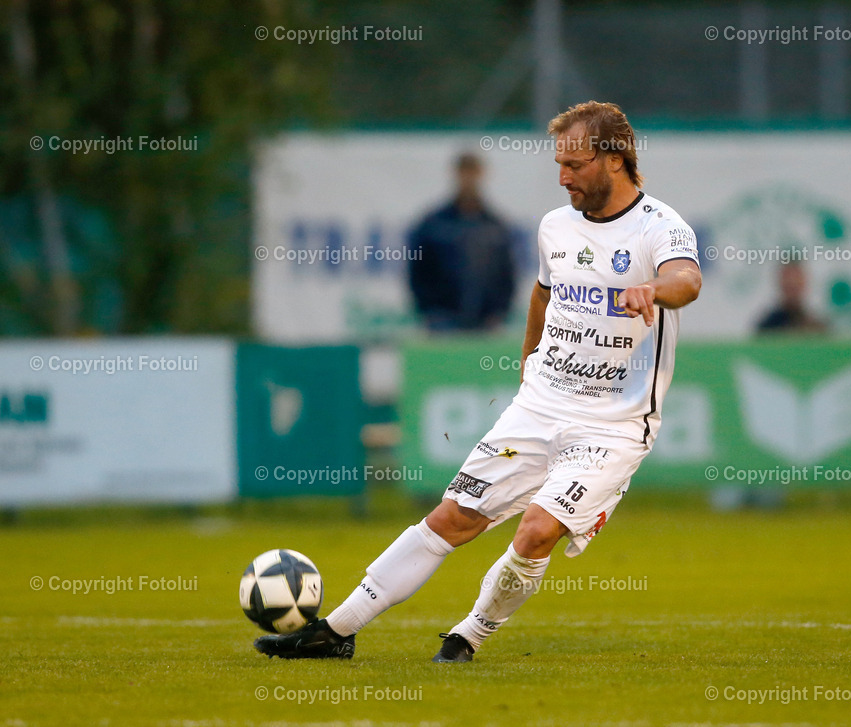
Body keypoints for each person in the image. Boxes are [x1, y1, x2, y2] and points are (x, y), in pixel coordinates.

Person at [254, 101, 702, 663]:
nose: (563, 177)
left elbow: (686, 280)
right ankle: (335, 631)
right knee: (452, 517)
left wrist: (653, 290)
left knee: (537, 530)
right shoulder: (555, 227)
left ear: (614, 160)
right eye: (558, 164)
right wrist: (529, 360)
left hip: (612, 426)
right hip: (538, 408)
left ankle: (469, 634)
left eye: (576, 164)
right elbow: (543, 294)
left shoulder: (660, 226)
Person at [407, 153, 516, 332]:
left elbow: (507, 273)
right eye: (464, 172)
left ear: (481, 174)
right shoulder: (434, 224)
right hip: (442, 319)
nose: (468, 179)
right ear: (456, 174)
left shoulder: (495, 225)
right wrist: (429, 310)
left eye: (472, 172)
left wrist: (499, 311)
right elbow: (418, 270)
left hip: (486, 323)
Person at [756, 260, 827, 333]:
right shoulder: (767, 327)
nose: (792, 283)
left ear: (804, 282)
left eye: (796, 278)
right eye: (788, 279)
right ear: (781, 283)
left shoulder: (817, 327)